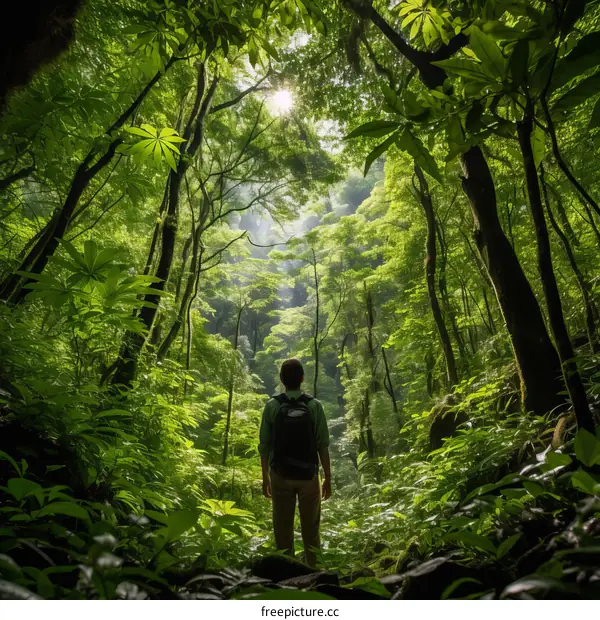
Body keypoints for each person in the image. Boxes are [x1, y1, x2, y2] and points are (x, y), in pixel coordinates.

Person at [258, 358, 331, 568]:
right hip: (309, 478)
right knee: (311, 532)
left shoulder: (272, 406)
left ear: (282, 380)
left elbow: (264, 446)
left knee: (283, 531)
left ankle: (285, 578)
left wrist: (265, 478)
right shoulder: (314, 406)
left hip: (280, 477)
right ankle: (315, 575)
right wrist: (327, 478)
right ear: (302, 379)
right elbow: (322, 445)